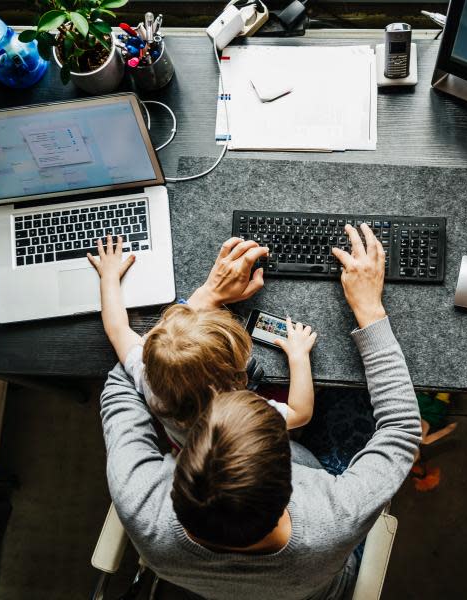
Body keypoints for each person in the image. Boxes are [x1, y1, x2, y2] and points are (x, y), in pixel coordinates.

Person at [99, 224, 422, 599]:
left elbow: (124, 380)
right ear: (290, 483)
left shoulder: (139, 503)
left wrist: (203, 301)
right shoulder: (332, 517)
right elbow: (400, 431)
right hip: (321, 585)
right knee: (351, 402)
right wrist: (369, 309)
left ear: (179, 470)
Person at [88, 235, 318, 445]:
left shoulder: (148, 374)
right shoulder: (241, 413)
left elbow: (117, 328)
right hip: (234, 441)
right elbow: (300, 413)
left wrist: (108, 277)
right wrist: (299, 357)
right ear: (236, 377)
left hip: (185, 442)